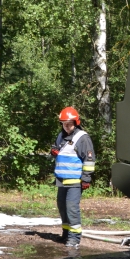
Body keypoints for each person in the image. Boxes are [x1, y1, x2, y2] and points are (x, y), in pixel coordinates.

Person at [51, 106, 96, 249]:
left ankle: (74, 238)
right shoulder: (61, 135)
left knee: (71, 208)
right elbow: (57, 149)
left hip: (75, 181)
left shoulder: (82, 138)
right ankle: (66, 233)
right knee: (62, 207)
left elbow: (89, 160)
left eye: (69, 124)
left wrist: (86, 178)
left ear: (76, 122)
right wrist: (54, 151)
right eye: (64, 124)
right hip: (61, 180)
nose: (66, 127)